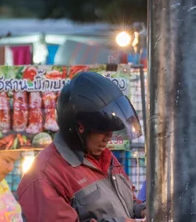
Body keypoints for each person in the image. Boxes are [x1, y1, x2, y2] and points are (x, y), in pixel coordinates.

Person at [17, 72, 146, 222]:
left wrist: (141, 210)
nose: (108, 137)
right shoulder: (44, 176)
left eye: (111, 130)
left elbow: (126, 202)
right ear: (80, 128)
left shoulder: (105, 156)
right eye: (102, 130)